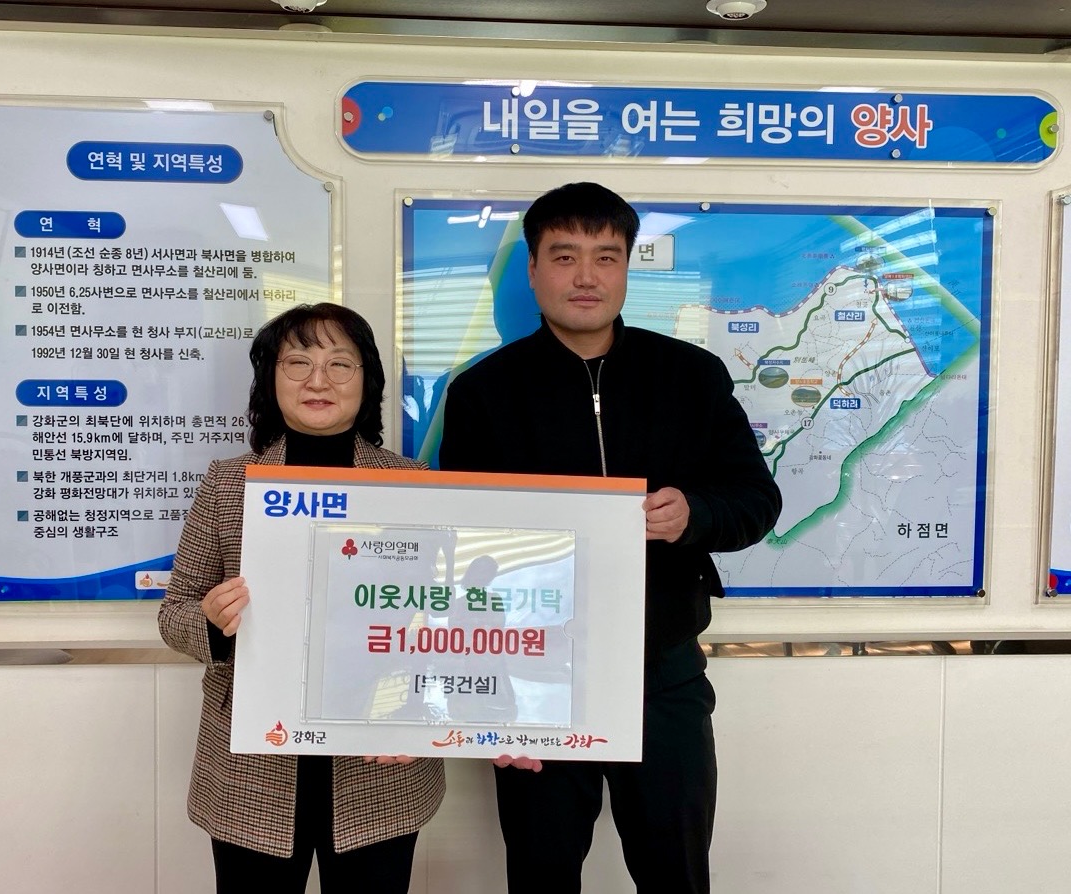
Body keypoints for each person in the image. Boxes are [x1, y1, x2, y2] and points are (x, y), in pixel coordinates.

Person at [438, 182, 781, 893]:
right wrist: (485, 699)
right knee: (541, 873)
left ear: (627, 267)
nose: (586, 276)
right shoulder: (483, 391)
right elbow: (462, 548)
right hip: (534, 678)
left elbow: (756, 501)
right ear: (533, 270)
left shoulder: (691, 376)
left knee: (675, 872)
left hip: (662, 674)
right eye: (564, 257)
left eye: (606, 256)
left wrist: (694, 514)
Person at [159, 303, 445, 894]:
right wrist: (211, 622)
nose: (319, 380)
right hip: (251, 768)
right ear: (271, 378)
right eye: (298, 363)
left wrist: (415, 713)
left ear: (367, 381)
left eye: (340, 363)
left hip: (378, 762)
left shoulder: (412, 483)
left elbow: (441, 619)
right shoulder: (228, 483)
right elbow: (175, 611)